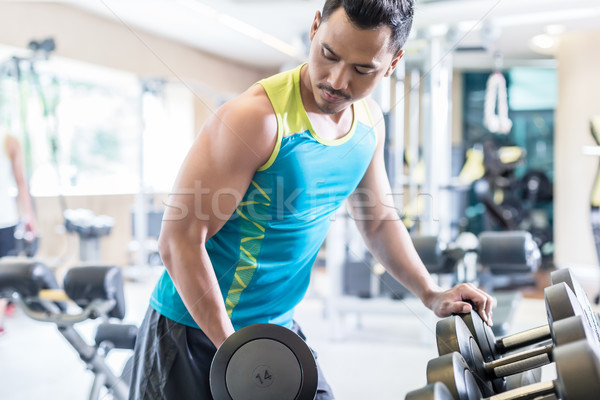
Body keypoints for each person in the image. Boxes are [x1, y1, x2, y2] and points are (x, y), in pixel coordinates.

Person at [129, 1, 494, 398]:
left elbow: (377, 221)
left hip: (274, 327)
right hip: (191, 331)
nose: (337, 81)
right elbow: (179, 240)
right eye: (329, 55)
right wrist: (233, 349)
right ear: (315, 27)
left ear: (393, 63)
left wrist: (431, 292)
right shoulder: (255, 119)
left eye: (362, 69)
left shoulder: (369, 122)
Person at [0, 130, 38, 334]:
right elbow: (20, 181)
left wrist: (29, 216)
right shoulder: (9, 141)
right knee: (2, 274)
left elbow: (21, 182)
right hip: (4, 218)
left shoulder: (9, 141)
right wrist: (30, 216)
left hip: (5, 219)